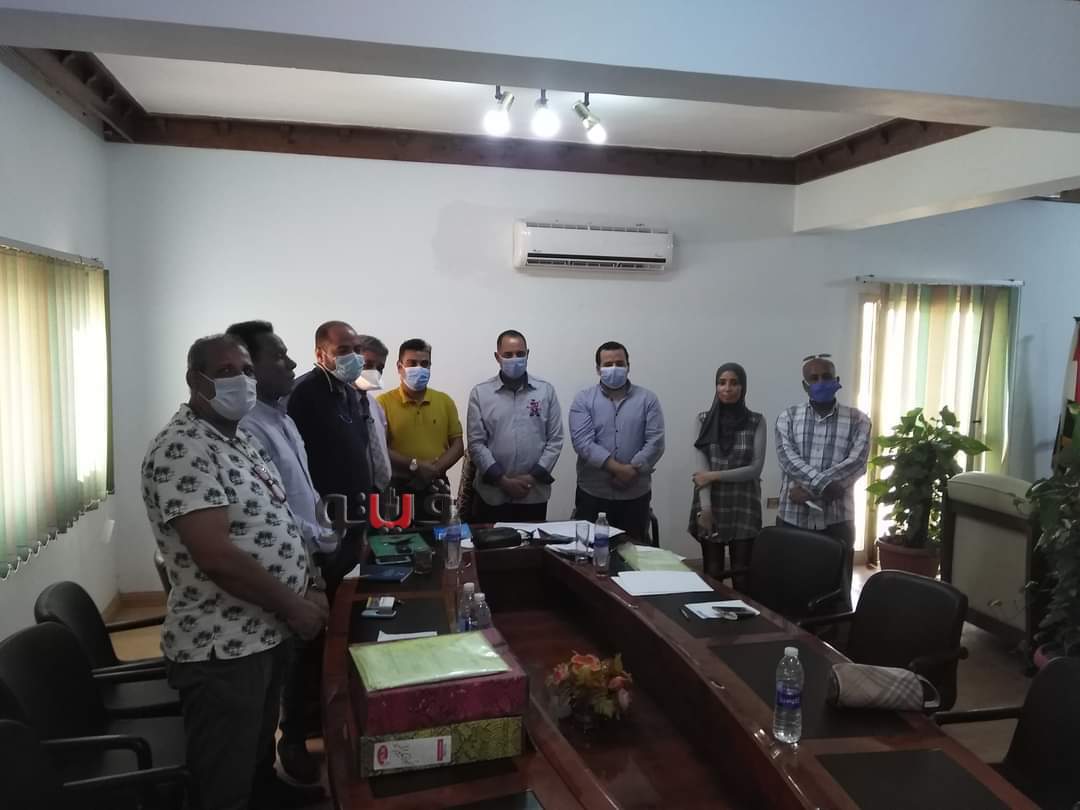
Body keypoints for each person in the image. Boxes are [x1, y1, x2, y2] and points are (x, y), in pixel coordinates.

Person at [141, 334, 328, 810]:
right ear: (195, 380)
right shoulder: (182, 448)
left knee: (256, 750)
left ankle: (267, 793)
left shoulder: (238, 436)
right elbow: (217, 556)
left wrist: (311, 584)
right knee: (224, 774)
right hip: (222, 645)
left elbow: (281, 517)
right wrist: (294, 606)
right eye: (226, 371)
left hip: (265, 631)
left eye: (245, 370)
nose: (241, 380)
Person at [226, 321, 333, 789]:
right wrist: (317, 544)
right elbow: (275, 511)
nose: (290, 363)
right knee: (286, 673)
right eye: (279, 356)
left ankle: (285, 754)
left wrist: (324, 536)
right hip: (275, 583)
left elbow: (302, 490)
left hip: (307, 560)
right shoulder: (246, 428)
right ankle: (287, 750)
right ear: (248, 368)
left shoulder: (281, 418)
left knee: (298, 665)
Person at [287, 321, 375, 600]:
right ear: (320, 354)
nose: (354, 357)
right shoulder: (303, 393)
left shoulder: (349, 392)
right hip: (325, 521)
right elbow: (295, 465)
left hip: (355, 516)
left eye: (358, 349)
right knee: (331, 598)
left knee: (352, 596)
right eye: (343, 350)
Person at [775, 354, 871, 609]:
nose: (821, 382)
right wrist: (823, 487)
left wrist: (810, 490)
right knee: (790, 587)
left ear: (836, 380)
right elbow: (787, 459)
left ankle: (836, 632)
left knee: (835, 592)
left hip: (837, 520)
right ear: (805, 385)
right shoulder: (787, 417)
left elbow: (856, 463)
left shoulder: (859, 420)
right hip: (793, 518)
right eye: (814, 378)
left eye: (826, 377)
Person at [568, 341, 665, 542]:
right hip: (593, 493)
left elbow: (655, 442)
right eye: (608, 364)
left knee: (634, 551)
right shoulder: (583, 400)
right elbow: (583, 443)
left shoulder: (648, 399)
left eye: (620, 364)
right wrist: (620, 470)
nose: (614, 368)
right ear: (598, 369)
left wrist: (632, 471)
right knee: (590, 552)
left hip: (635, 495)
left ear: (628, 366)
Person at [467, 329, 563, 523]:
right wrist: (503, 481)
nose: (515, 359)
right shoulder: (480, 394)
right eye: (508, 355)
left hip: (533, 493)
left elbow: (555, 440)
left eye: (520, 354)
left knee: (532, 543)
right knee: (492, 542)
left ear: (528, 354)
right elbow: (476, 443)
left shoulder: (545, 391)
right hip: (492, 494)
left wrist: (532, 478)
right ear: (497, 357)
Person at [689, 363, 766, 580]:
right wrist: (706, 509)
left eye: (734, 383)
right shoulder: (703, 420)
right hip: (711, 501)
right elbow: (701, 470)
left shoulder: (756, 421)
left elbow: (755, 469)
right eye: (722, 383)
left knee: (742, 573)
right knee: (713, 572)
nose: (727, 388)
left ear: (743, 387)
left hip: (744, 503)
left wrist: (714, 475)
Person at [378, 338, 464, 522]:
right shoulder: (382, 403)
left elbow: (457, 445)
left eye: (424, 364)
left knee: (439, 535)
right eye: (412, 363)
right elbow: (380, 448)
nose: (419, 368)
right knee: (398, 537)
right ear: (399, 367)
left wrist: (433, 470)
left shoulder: (444, 401)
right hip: (398, 487)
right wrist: (415, 465)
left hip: (437, 484)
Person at [354, 335, 393, 494]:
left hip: (379, 494)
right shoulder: (338, 404)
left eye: (380, 368)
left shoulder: (374, 406)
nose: (374, 372)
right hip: (351, 494)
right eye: (368, 365)